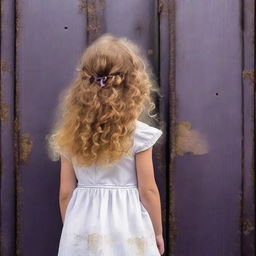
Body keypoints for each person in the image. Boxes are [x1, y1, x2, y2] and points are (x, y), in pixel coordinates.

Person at [46, 33, 165, 255]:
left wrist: (72, 229)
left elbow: (65, 193)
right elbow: (148, 191)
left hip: (82, 226)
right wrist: (157, 232)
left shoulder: (69, 135)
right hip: (128, 227)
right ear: (133, 86)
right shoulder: (138, 135)